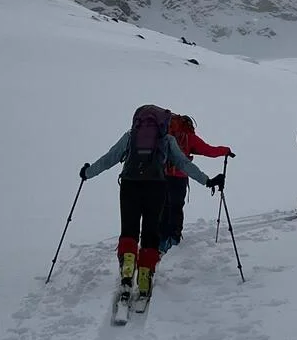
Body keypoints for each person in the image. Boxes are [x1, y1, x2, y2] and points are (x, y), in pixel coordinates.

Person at [79, 104, 225, 297]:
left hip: (130, 185)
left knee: (129, 229)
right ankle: (145, 275)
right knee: (151, 232)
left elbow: (109, 159)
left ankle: (128, 267)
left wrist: (88, 173)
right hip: (157, 186)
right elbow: (184, 163)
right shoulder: (168, 140)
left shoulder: (130, 137)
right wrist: (207, 181)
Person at [160, 114, 234, 253]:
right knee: (176, 207)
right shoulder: (190, 138)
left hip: (161, 176)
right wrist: (226, 150)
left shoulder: (166, 136)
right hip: (179, 177)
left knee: (162, 207)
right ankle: (174, 238)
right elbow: (209, 150)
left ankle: (161, 239)